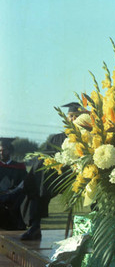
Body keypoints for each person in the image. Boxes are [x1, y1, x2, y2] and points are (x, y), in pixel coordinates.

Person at [19, 102, 86, 240]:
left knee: (39, 180)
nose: (73, 119)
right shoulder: (56, 138)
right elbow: (44, 157)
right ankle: (35, 226)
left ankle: (20, 190)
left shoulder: (87, 137)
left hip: (73, 178)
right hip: (54, 179)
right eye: (71, 116)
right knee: (39, 180)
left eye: (76, 116)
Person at [0, 139, 27, 230]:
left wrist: (13, 191)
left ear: (10, 151)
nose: (1, 153)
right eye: (0, 150)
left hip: (15, 196)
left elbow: (24, 182)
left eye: (4, 150)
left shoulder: (19, 167)